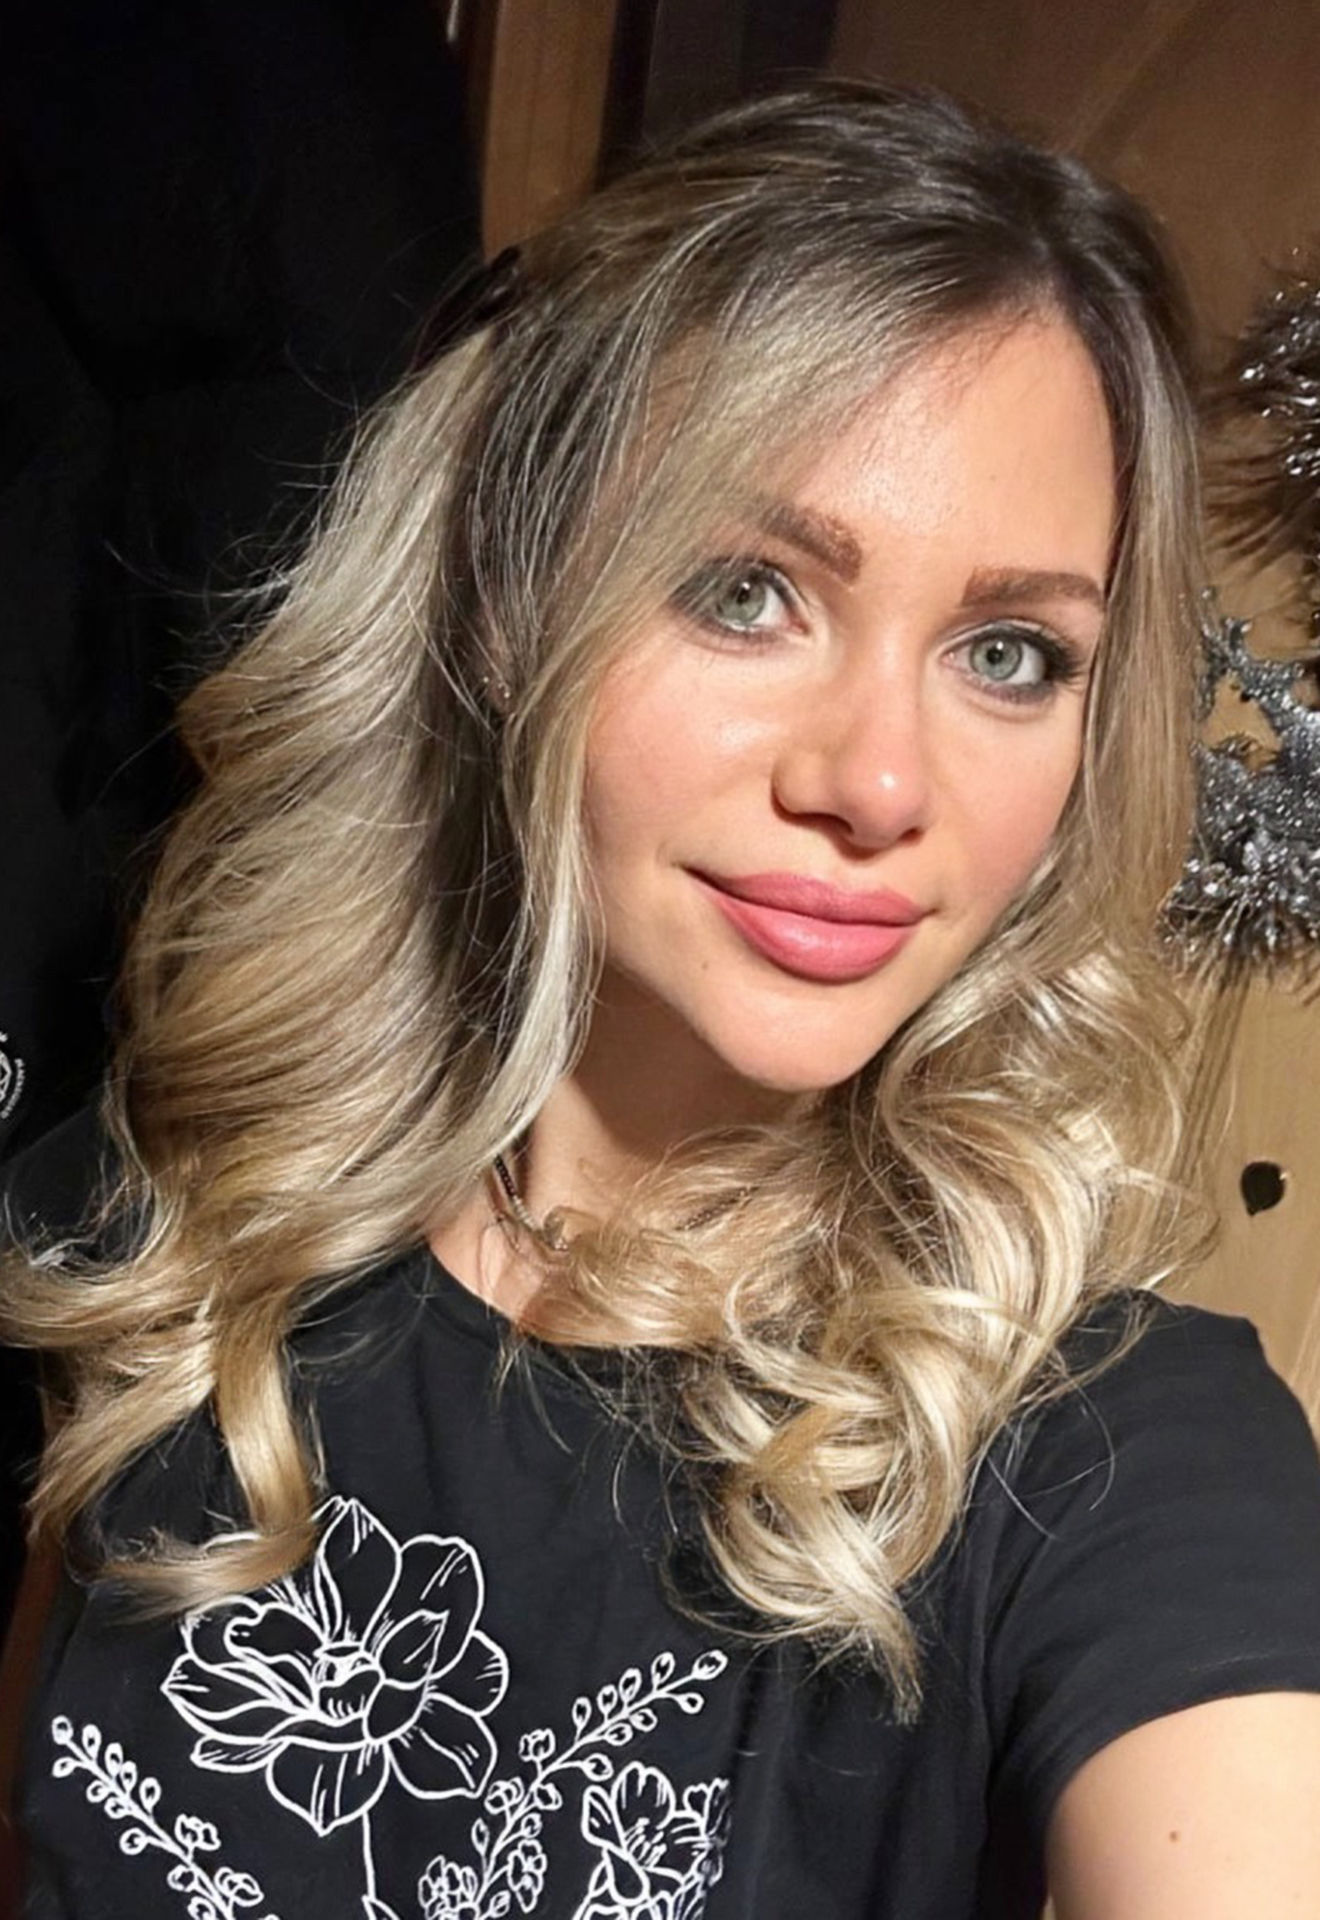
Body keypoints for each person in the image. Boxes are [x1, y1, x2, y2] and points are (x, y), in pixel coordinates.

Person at [3, 80, 1320, 1920]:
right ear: (505, 599)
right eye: (746, 591)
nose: (880, 784)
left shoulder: (1125, 1459)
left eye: (1012, 653)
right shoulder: (163, 1223)